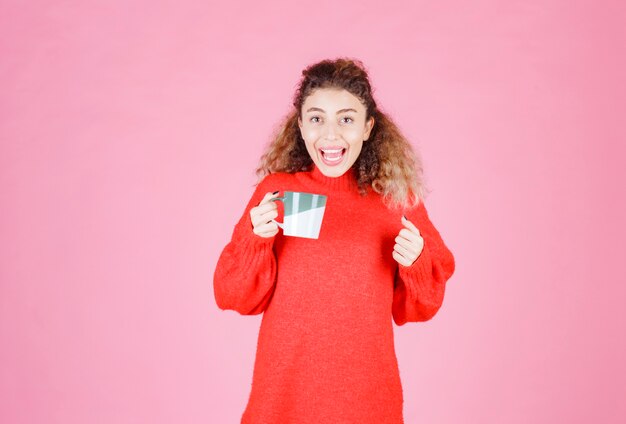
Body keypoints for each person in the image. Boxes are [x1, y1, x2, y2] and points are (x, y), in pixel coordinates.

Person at [213, 57, 455, 424]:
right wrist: (254, 241)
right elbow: (234, 297)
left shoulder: (393, 200)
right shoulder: (281, 193)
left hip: (367, 399)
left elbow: (419, 308)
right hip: (284, 397)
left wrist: (417, 263)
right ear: (300, 126)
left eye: (345, 119)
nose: (330, 135)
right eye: (316, 118)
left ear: (368, 127)